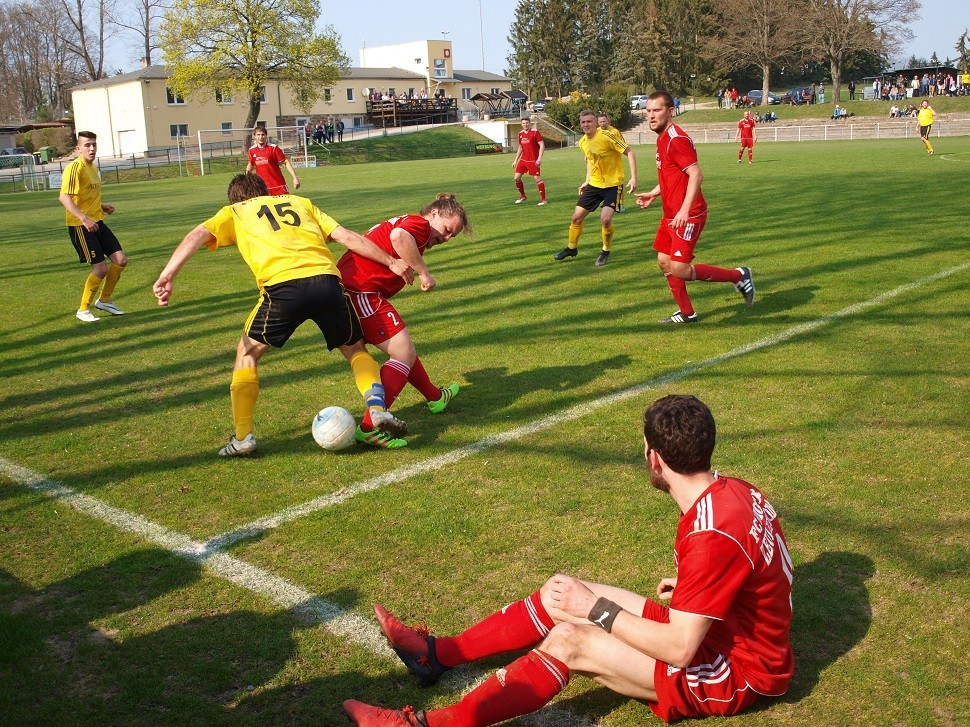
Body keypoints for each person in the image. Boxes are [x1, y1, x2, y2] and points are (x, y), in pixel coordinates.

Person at [343, 394, 795, 727]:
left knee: (569, 639)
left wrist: (596, 611)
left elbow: (679, 648)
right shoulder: (734, 491)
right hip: (720, 630)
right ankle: (436, 655)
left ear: (654, 458)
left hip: (736, 671)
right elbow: (758, 570)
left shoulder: (709, 535)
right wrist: (696, 593)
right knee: (559, 593)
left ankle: (426, 726)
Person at [151, 173, 412, 456]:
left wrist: (167, 275)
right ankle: (376, 408)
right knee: (355, 349)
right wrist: (391, 261)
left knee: (247, 354)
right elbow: (347, 237)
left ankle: (242, 438)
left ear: (236, 198)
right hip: (327, 283)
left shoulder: (234, 211)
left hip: (283, 289)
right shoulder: (299, 202)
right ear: (266, 191)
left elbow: (195, 235)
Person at [336, 194, 470, 448]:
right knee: (403, 354)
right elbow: (398, 237)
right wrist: (424, 273)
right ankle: (369, 427)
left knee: (403, 349)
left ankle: (434, 397)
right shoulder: (418, 225)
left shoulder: (414, 225)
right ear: (433, 213)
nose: (446, 238)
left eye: (453, 236)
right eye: (447, 230)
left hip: (353, 289)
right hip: (361, 291)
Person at [638, 92, 754, 324]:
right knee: (664, 261)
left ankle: (738, 276)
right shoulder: (661, 138)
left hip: (688, 215)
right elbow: (672, 175)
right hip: (671, 214)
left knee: (679, 268)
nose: (651, 116)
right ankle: (687, 313)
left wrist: (684, 209)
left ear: (670, 111)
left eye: (657, 110)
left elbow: (696, 174)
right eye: (649, 111)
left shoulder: (675, 139)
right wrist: (654, 193)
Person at [553, 109, 637, 267]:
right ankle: (572, 248)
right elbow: (591, 163)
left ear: (595, 122)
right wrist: (586, 180)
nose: (586, 124)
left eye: (589, 121)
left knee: (605, 220)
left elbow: (630, 152)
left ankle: (605, 251)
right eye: (583, 122)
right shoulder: (583, 142)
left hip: (613, 184)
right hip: (594, 184)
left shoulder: (607, 136)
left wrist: (634, 178)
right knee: (576, 218)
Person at [59, 131, 128, 323]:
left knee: (121, 260)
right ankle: (83, 310)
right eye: (87, 145)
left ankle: (105, 300)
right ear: (78, 148)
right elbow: (64, 197)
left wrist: (102, 206)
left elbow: (86, 197)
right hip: (80, 226)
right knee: (100, 269)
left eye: (94, 145)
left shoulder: (93, 168)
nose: (91, 148)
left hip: (97, 222)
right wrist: (83, 218)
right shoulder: (75, 168)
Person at [245, 126, 300, 195]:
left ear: (266, 136)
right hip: (262, 188)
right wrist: (246, 180)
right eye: (258, 135)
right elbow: (251, 164)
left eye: (263, 134)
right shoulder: (251, 150)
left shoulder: (274, 148)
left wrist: (295, 178)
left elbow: (286, 162)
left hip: (278, 185)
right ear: (255, 136)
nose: (261, 137)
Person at [512, 117, 547, 205]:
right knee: (516, 178)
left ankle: (543, 200)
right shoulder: (520, 134)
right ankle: (523, 196)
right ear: (521, 124)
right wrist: (515, 160)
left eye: (527, 123)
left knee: (537, 179)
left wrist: (539, 158)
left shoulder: (535, 132)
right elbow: (520, 147)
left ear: (530, 123)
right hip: (523, 160)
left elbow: (542, 145)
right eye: (523, 123)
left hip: (533, 160)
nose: (525, 124)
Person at [597, 112, 626, 213]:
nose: (602, 123)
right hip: (603, 166)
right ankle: (607, 202)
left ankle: (620, 205)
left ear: (608, 121)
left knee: (618, 185)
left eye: (604, 121)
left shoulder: (615, 131)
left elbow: (623, 145)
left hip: (615, 163)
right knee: (605, 184)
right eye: (600, 122)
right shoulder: (597, 132)